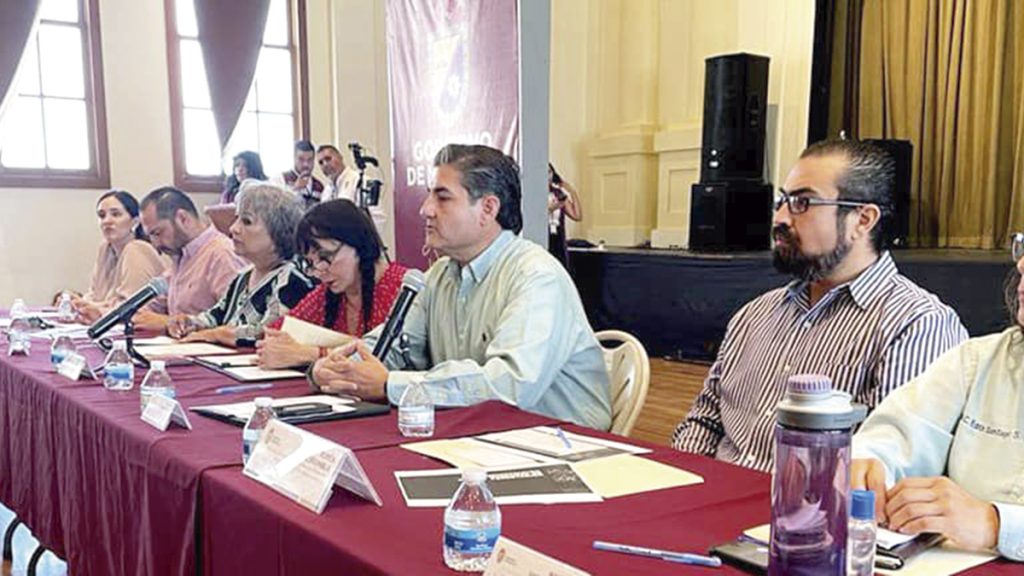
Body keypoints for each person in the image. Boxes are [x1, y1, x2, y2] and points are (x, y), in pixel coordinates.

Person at [671, 139, 968, 472]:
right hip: (714, 495)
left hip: (812, 504)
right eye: (782, 201)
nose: (780, 218)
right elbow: (705, 421)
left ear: (863, 220)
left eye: (802, 203)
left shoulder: (917, 324)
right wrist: (683, 483)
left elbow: (886, 467)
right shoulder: (755, 314)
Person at [308, 144, 612, 430]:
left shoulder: (536, 276)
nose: (425, 209)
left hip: (565, 444)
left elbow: (509, 385)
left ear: (488, 209)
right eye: (429, 196)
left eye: (442, 198)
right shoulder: (439, 275)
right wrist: (336, 368)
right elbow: (392, 347)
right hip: (481, 437)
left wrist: (391, 385)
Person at [850, 243, 1024, 562]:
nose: (1022, 265)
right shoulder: (978, 360)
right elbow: (898, 433)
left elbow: (995, 526)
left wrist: (996, 525)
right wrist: (868, 465)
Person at [256, 199, 408, 369]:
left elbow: (386, 357)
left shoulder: (401, 288)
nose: (318, 271)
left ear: (357, 242)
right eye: (310, 263)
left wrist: (310, 354)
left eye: (325, 257)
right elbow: (276, 332)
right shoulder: (329, 293)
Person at [166, 182, 314, 347]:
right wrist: (189, 322)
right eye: (237, 219)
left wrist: (217, 334)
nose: (233, 228)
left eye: (247, 221)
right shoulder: (244, 276)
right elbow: (215, 316)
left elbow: (268, 332)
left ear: (279, 231)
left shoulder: (292, 279)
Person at [134, 187, 246, 331]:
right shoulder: (180, 257)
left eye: (157, 233)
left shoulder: (222, 254)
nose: (155, 244)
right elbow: (146, 309)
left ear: (183, 219)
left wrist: (169, 323)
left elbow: (238, 324)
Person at [70, 191, 167, 323]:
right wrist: (77, 302)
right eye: (102, 216)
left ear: (135, 222)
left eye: (115, 214)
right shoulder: (105, 248)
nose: (107, 221)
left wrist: (94, 310)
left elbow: (131, 308)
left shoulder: (137, 249)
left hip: (141, 327)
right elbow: (95, 295)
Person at [547, 163, 582, 266]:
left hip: (557, 237)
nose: (548, 176)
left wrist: (572, 192)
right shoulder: (535, 194)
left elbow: (577, 215)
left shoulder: (558, 194)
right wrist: (550, 209)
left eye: (549, 172)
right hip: (543, 236)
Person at [272, 139, 323, 209]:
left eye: (310, 160)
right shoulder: (280, 179)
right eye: (301, 159)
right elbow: (272, 207)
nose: (306, 164)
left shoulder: (319, 186)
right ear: (294, 158)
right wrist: (295, 189)